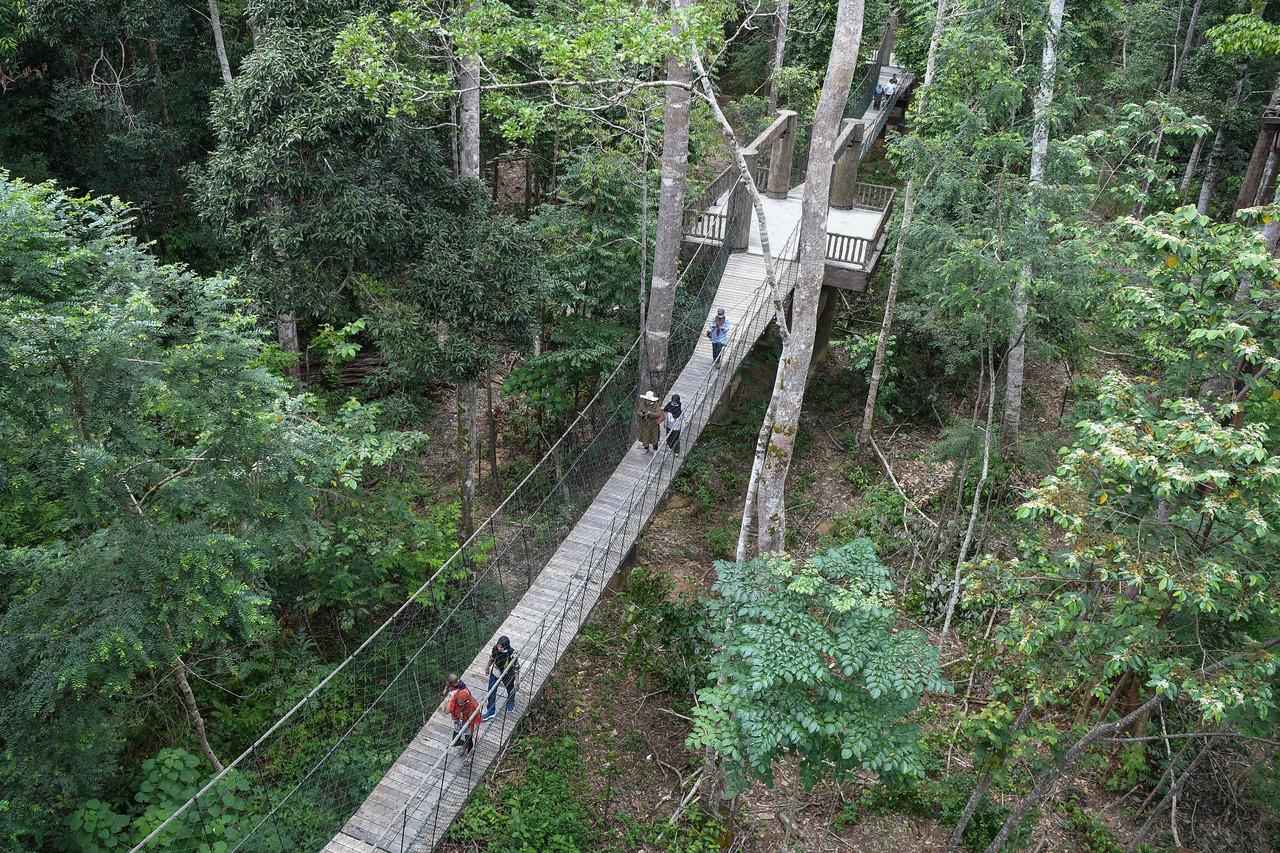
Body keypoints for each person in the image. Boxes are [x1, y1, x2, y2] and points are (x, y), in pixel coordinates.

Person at [481, 636, 519, 720]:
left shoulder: (512, 653)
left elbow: (516, 667)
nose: (499, 648)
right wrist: (487, 667)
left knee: (510, 688)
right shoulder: (495, 649)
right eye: (498, 646)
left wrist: (517, 680)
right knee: (491, 690)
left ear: (506, 646)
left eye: (501, 647)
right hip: (496, 671)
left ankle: (511, 701)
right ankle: (491, 711)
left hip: (507, 673)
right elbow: (492, 657)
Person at [445, 674, 480, 756]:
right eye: (459, 703)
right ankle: (463, 745)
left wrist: (474, 730)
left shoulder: (473, 705)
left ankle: (468, 752)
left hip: (468, 719)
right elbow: (446, 711)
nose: (460, 704)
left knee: (469, 737)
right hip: (458, 719)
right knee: (457, 737)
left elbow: (476, 717)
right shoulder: (455, 697)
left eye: (462, 703)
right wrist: (450, 699)